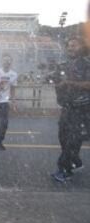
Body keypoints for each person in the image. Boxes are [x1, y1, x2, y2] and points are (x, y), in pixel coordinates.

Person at [51, 37, 90, 183]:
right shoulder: (63, 65)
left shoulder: (87, 64)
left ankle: (64, 169)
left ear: (81, 47)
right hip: (67, 108)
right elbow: (57, 82)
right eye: (69, 46)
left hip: (82, 108)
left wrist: (70, 82)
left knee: (72, 140)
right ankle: (76, 162)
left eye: (74, 45)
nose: (70, 48)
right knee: (63, 137)